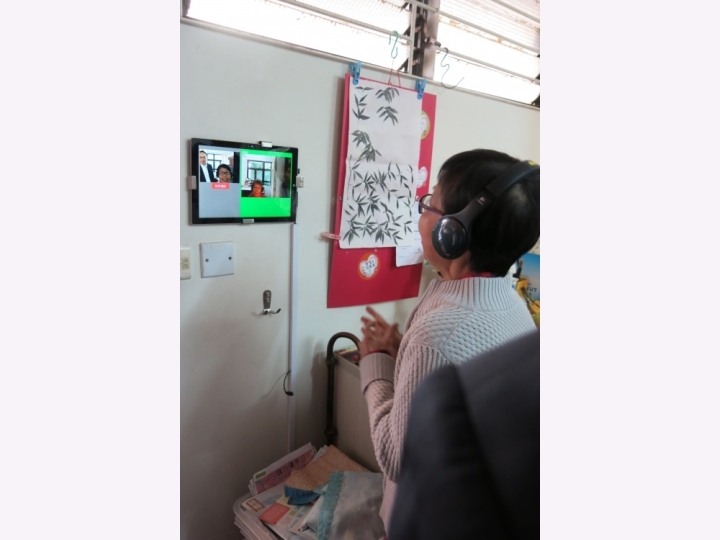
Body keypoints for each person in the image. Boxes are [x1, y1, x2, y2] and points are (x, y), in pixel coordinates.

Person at [357, 149, 540, 534]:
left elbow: (397, 458)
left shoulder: (437, 334)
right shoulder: (513, 304)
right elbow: (462, 379)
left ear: (452, 233)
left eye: (430, 204)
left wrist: (375, 365)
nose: (421, 212)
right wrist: (403, 352)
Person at [388, 331, 540, 540]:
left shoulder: (430, 347)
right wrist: (405, 357)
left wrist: (374, 365)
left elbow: (395, 457)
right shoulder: (517, 313)